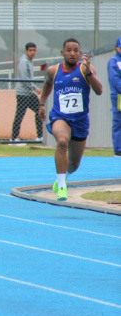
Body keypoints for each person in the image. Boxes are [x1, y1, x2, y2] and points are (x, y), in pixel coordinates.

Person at [38, 38, 102, 201]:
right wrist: (42, 104)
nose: (72, 53)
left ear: (80, 53)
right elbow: (47, 84)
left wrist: (88, 72)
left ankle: (64, 175)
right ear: (62, 53)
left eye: (75, 50)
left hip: (80, 120)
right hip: (60, 116)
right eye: (69, 50)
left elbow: (99, 90)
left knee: (74, 164)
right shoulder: (54, 70)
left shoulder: (86, 69)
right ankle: (61, 186)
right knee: (62, 142)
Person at [11, 42, 43, 144]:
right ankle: (13, 139)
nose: (32, 52)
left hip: (29, 93)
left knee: (40, 111)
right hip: (23, 94)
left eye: (34, 50)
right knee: (20, 115)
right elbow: (25, 79)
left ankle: (40, 136)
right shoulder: (24, 61)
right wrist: (35, 88)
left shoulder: (29, 61)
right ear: (26, 51)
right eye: (30, 50)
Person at [109, 37, 121, 157]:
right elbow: (115, 80)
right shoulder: (114, 61)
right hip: (119, 96)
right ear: (116, 48)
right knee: (119, 122)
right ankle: (118, 149)